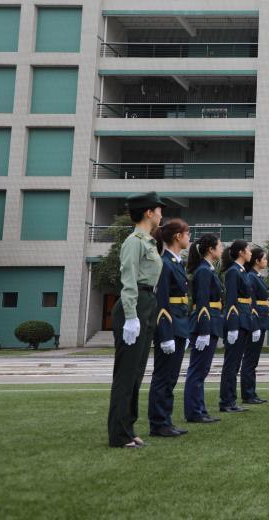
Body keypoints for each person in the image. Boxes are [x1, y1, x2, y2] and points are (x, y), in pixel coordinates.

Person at [107, 191, 166, 449]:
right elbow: (129, 279)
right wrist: (131, 316)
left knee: (137, 372)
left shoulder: (149, 242)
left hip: (147, 302)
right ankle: (119, 435)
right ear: (148, 212)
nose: (161, 215)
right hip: (135, 303)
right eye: (159, 210)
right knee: (126, 373)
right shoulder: (134, 241)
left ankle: (128, 429)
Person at [147, 219, 191, 438]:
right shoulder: (165, 263)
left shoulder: (176, 263)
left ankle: (165, 420)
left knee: (171, 378)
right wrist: (165, 334)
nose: (189, 237)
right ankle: (158, 423)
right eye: (187, 233)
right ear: (177, 236)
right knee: (163, 377)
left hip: (179, 325)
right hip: (170, 326)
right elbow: (162, 301)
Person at [183, 233, 224, 423]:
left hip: (211, 322)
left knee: (202, 369)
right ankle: (194, 412)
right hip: (205, 324)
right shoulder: (204, 271)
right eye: (219, 246)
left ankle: (199, 409)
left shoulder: (207, 269)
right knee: (198, 370)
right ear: (210, 249)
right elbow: (202, 302)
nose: (222, 249)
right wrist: (204, 331)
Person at [219, 239, 255, 413]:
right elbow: (231, 300)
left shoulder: (241, 270)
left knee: (235, 364)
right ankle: (227, 401)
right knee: (231, 364)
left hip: (244, 319)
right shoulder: (234, 271)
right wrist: (233, 326)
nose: (250, 253)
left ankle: (231, 400)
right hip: (237, 320)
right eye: (248, 249)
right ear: (241, 252)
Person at [242, 247, 269, 404]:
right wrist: (254, 325)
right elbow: (251, 303)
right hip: (256, 321)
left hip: (261, 320)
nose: (266, 261)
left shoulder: (256, 276)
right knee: (250, 360)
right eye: (264, 258)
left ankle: (251, 392)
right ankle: (248, 394)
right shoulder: (251, 277)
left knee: (253, 360)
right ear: (257, 261)